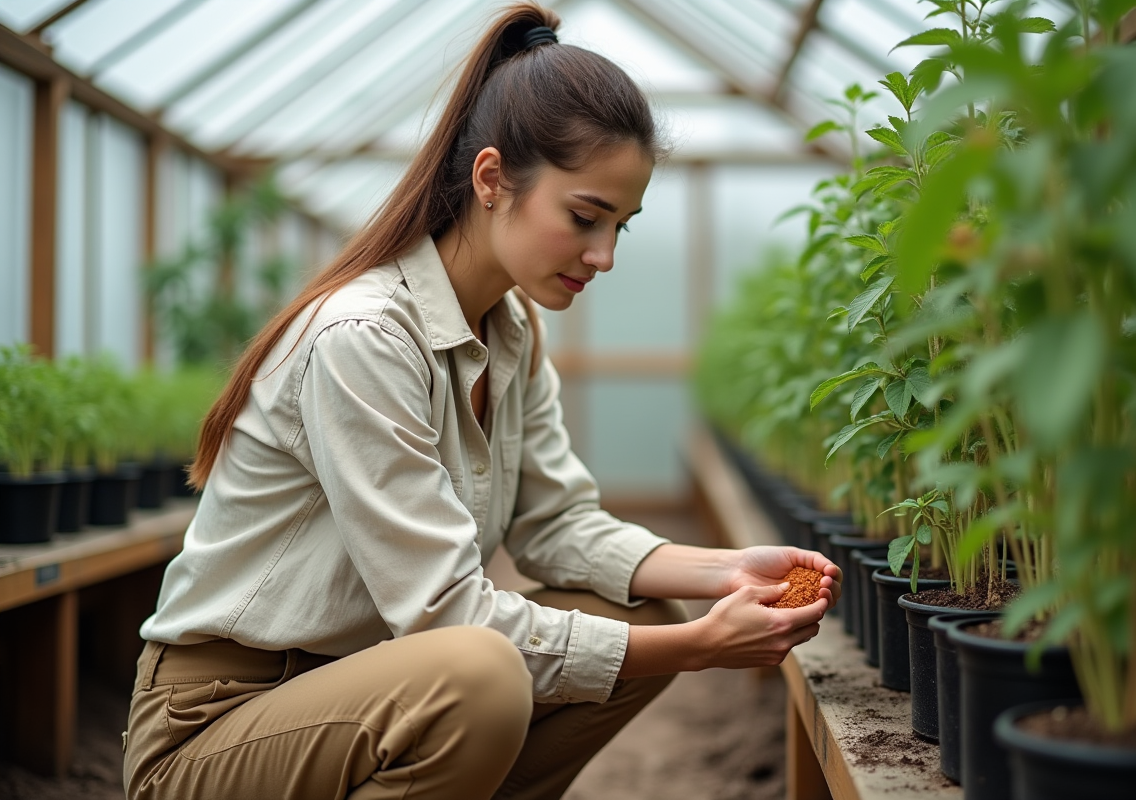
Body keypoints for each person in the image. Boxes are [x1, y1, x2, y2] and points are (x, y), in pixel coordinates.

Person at [123, 4, 841, 799]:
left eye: (621, 228)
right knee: (481, 673)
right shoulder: (363, 336)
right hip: (221, 727)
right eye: (584, 217)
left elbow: (558, 525)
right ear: (492, 179)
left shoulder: (510, 331)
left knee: (641, 612)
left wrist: (726, 569)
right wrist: (699, 648)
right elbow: (446, 618)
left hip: (366, 694)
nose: (602, 255)